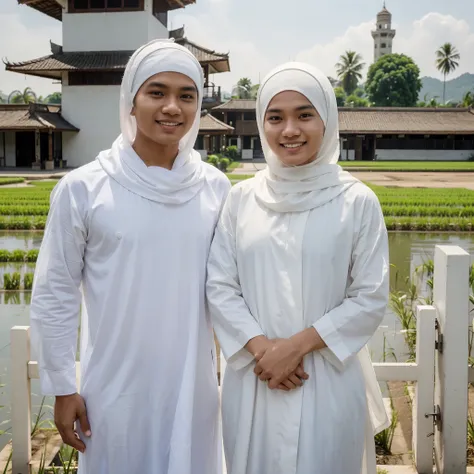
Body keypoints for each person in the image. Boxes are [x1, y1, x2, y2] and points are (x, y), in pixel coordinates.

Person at [30, 40, 230, 474]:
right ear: (131, 100)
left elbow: (233, 292)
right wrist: (64, 388)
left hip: (193, 386)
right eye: (156, 92)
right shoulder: (84, 188)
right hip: (114, 389)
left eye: (187, 95)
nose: (172, 107)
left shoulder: (216, 189)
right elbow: (55, 292)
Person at [206, 62, 390, 474]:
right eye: (275, 117)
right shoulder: (241, 200)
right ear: (261, 123)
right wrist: (262, 350)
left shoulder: (356, 201)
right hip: (256, 376)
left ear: (327, 120)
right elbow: (220, 285)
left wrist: (296, 347)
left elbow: (370, 296)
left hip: (324, 374)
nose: (289, 130)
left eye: (305, 115)